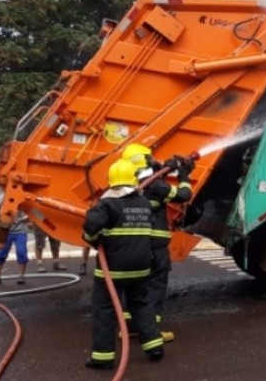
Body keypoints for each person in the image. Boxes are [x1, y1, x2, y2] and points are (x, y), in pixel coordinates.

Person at [82, 158, 164, 369]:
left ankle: (103, 357)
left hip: (113, 269)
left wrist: (93, 240)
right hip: (142, 267)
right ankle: (154, 346)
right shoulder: (144, 203)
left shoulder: (108, 203)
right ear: (133, 179)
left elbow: (91, 226)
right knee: (142, 304)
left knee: (105, 309)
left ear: (111, 180)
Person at [122, 143, 194, 343]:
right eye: (150, 157)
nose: (153, 160)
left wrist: (166, 166)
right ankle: (151, 331)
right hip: (154, 247)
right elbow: (184, 196)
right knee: (155, 287)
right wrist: (184, 175)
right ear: (144, 160)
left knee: (135, 288)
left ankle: (130, 328)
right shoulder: (156, 185)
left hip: (133, 246)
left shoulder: (128, 185)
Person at [0, 210, 30, 285]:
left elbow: (31, 214)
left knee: (21, 252)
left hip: (20, 231)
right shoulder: (1, 200)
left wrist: (22, 219)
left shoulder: (22, 201)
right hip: (4, 230)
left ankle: (21, 275)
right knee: (0, 253)